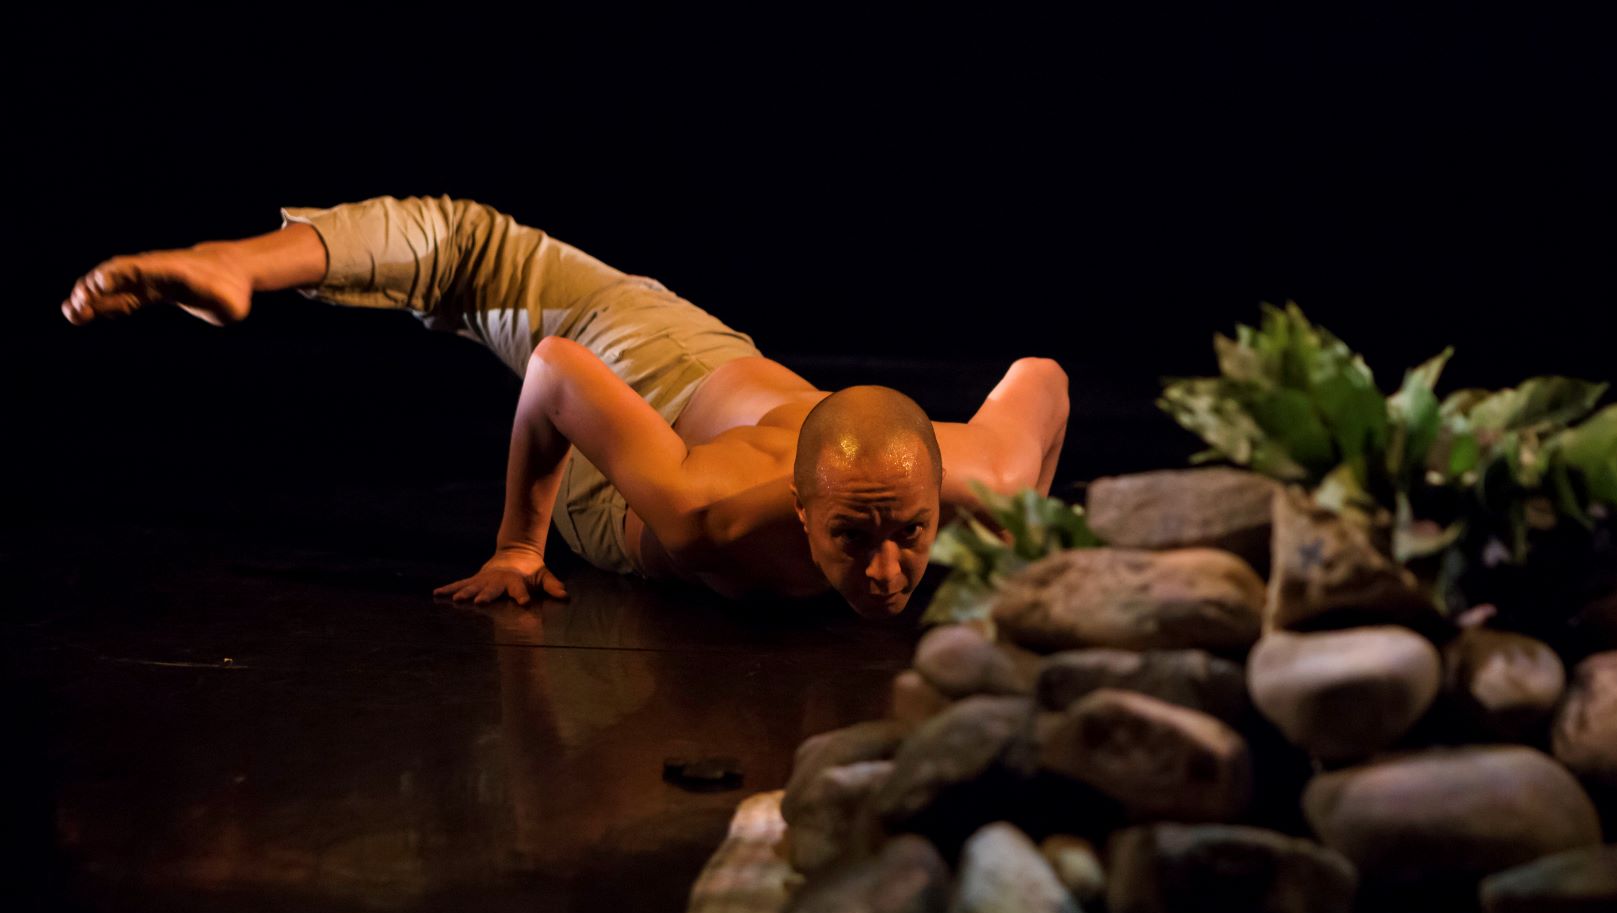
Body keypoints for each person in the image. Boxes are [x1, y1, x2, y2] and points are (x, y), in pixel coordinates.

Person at [60, 195, 1070, 619]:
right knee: (472, 250)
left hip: (716, 371)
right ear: (803, 513)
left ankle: (230, 261)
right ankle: (228, 264)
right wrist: (518, 544)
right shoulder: (701, 513)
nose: (891, 570)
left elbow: (1042, 374)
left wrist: (1018, 565)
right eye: (853, 539)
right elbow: (552, 372)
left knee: (486, 250)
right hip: (618, 465)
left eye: (911, 533)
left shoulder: (982, 476)